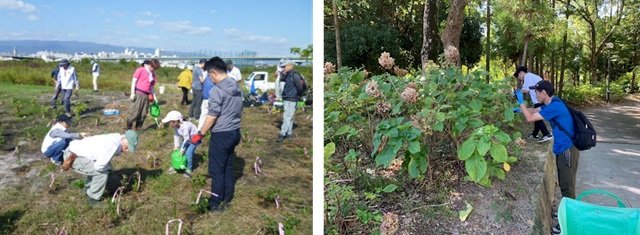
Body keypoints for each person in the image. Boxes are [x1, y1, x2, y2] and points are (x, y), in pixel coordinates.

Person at [516, 80, 579, 235]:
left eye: (536, 91)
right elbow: (533, 111)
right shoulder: (554, 103)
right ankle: (565, 212)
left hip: (567, 151)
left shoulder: (555, 107)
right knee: (565, 184)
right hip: (565, 150)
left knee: (567, 187)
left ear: (544, 93)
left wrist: (521, 102)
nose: (535, 94)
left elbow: (530, 118)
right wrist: (519, 109)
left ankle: (568, 224)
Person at [191, 57, 242, 211]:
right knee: (227, 165)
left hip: (221, 134)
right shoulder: (236, 86)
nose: (208, 79)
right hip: (234, 132)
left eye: (208, 75)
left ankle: (215, 203)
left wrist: (200, 133)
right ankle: (227, 197)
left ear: (213, 73)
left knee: (217, 170)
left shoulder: (217, 91)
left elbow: (212, 115)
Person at [61, 130, 138, 206]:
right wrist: (108, 171)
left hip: (75, 153)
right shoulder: (113, 145)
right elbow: (99, 167)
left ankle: (89, 188)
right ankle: (93, 198)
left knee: (103, 169)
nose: (127, 150)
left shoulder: (116, 137)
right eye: (127, 147)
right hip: (73, 158)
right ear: (124, 139)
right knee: (101, 173)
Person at [515, 66, 552, 142]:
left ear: (521, 73)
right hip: (539, 100)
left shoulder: (528, 77)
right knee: (536, 117)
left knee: (536, 117)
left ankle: (546, 134)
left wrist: (516, 92)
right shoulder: (531, 76)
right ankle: (535, 134)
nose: (519, 78)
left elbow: (526, 90)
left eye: (518, 76)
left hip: (540, 100)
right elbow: (527, 89)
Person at [162, 110, 199, 177]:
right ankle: (177, 166)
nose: (169, 124)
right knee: (179, 152)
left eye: (169, 122)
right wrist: (176, 146)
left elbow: (187, 139)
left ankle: (188, 169)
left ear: (175, 121)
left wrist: (182, 149)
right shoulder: (176, 127)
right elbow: (176, 136)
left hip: (195, 138)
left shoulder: (185, 127)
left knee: (188, 153)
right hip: (187, 138)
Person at [126, 59, 160, 130]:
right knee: (135, 112)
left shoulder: (152, 74)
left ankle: (138, 128)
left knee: (143, 113)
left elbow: (151, 87)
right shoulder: (140, 70)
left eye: (155, 69)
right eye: (152, 67)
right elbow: (134, 81)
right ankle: (128, 128)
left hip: (146, 95)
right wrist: (132, 93)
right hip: (138, 93)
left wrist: (154, 97)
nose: (153, 69)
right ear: (150, 65)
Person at [277, 61, 304, 142]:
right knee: (290, 116)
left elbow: (299, 87)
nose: (283, 68)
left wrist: (299, 95)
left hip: (291, 98)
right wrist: (282, 73)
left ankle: (282, 134)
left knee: (287, 116)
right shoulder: (288, 74)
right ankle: (289, 132)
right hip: (287, 98)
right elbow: (281, 79)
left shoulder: (295, 75)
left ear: (290, 66)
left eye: (284, 66)